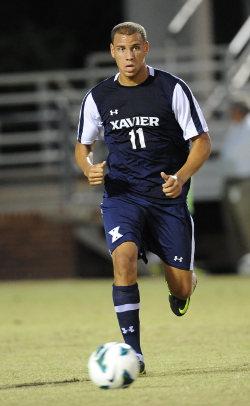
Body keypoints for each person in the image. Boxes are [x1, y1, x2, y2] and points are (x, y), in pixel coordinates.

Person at [75, 22, 211, 374]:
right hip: (123, 196)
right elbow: (82, 146)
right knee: (124, 259)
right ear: (112, 52)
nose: (128, 55)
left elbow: (202, 142)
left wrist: (181, 177)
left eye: (135, 48)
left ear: (146, 49)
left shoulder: (171, 88)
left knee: (180, 287)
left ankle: (183, 287)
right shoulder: (99, 97)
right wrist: (87, 167)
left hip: (167, 198)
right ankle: (133, 354)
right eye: (121, 49)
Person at [220, 97, 250, 271]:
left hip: (245, 181)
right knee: (235, 225)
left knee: (247, 223)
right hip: (231, 182)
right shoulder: (235, 127)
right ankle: (243, 262)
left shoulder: (248, 126)